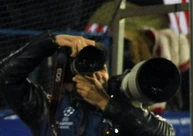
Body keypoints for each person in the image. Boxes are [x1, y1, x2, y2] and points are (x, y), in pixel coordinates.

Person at [0, 32, 174, 136]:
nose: (96, 74)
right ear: (72, 75)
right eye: (88, 68)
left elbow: (166, 133)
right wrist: (51, 41)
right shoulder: (47, 110)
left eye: (101, 67)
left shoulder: (124, 110)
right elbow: (6, 77)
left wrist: (105, 103)